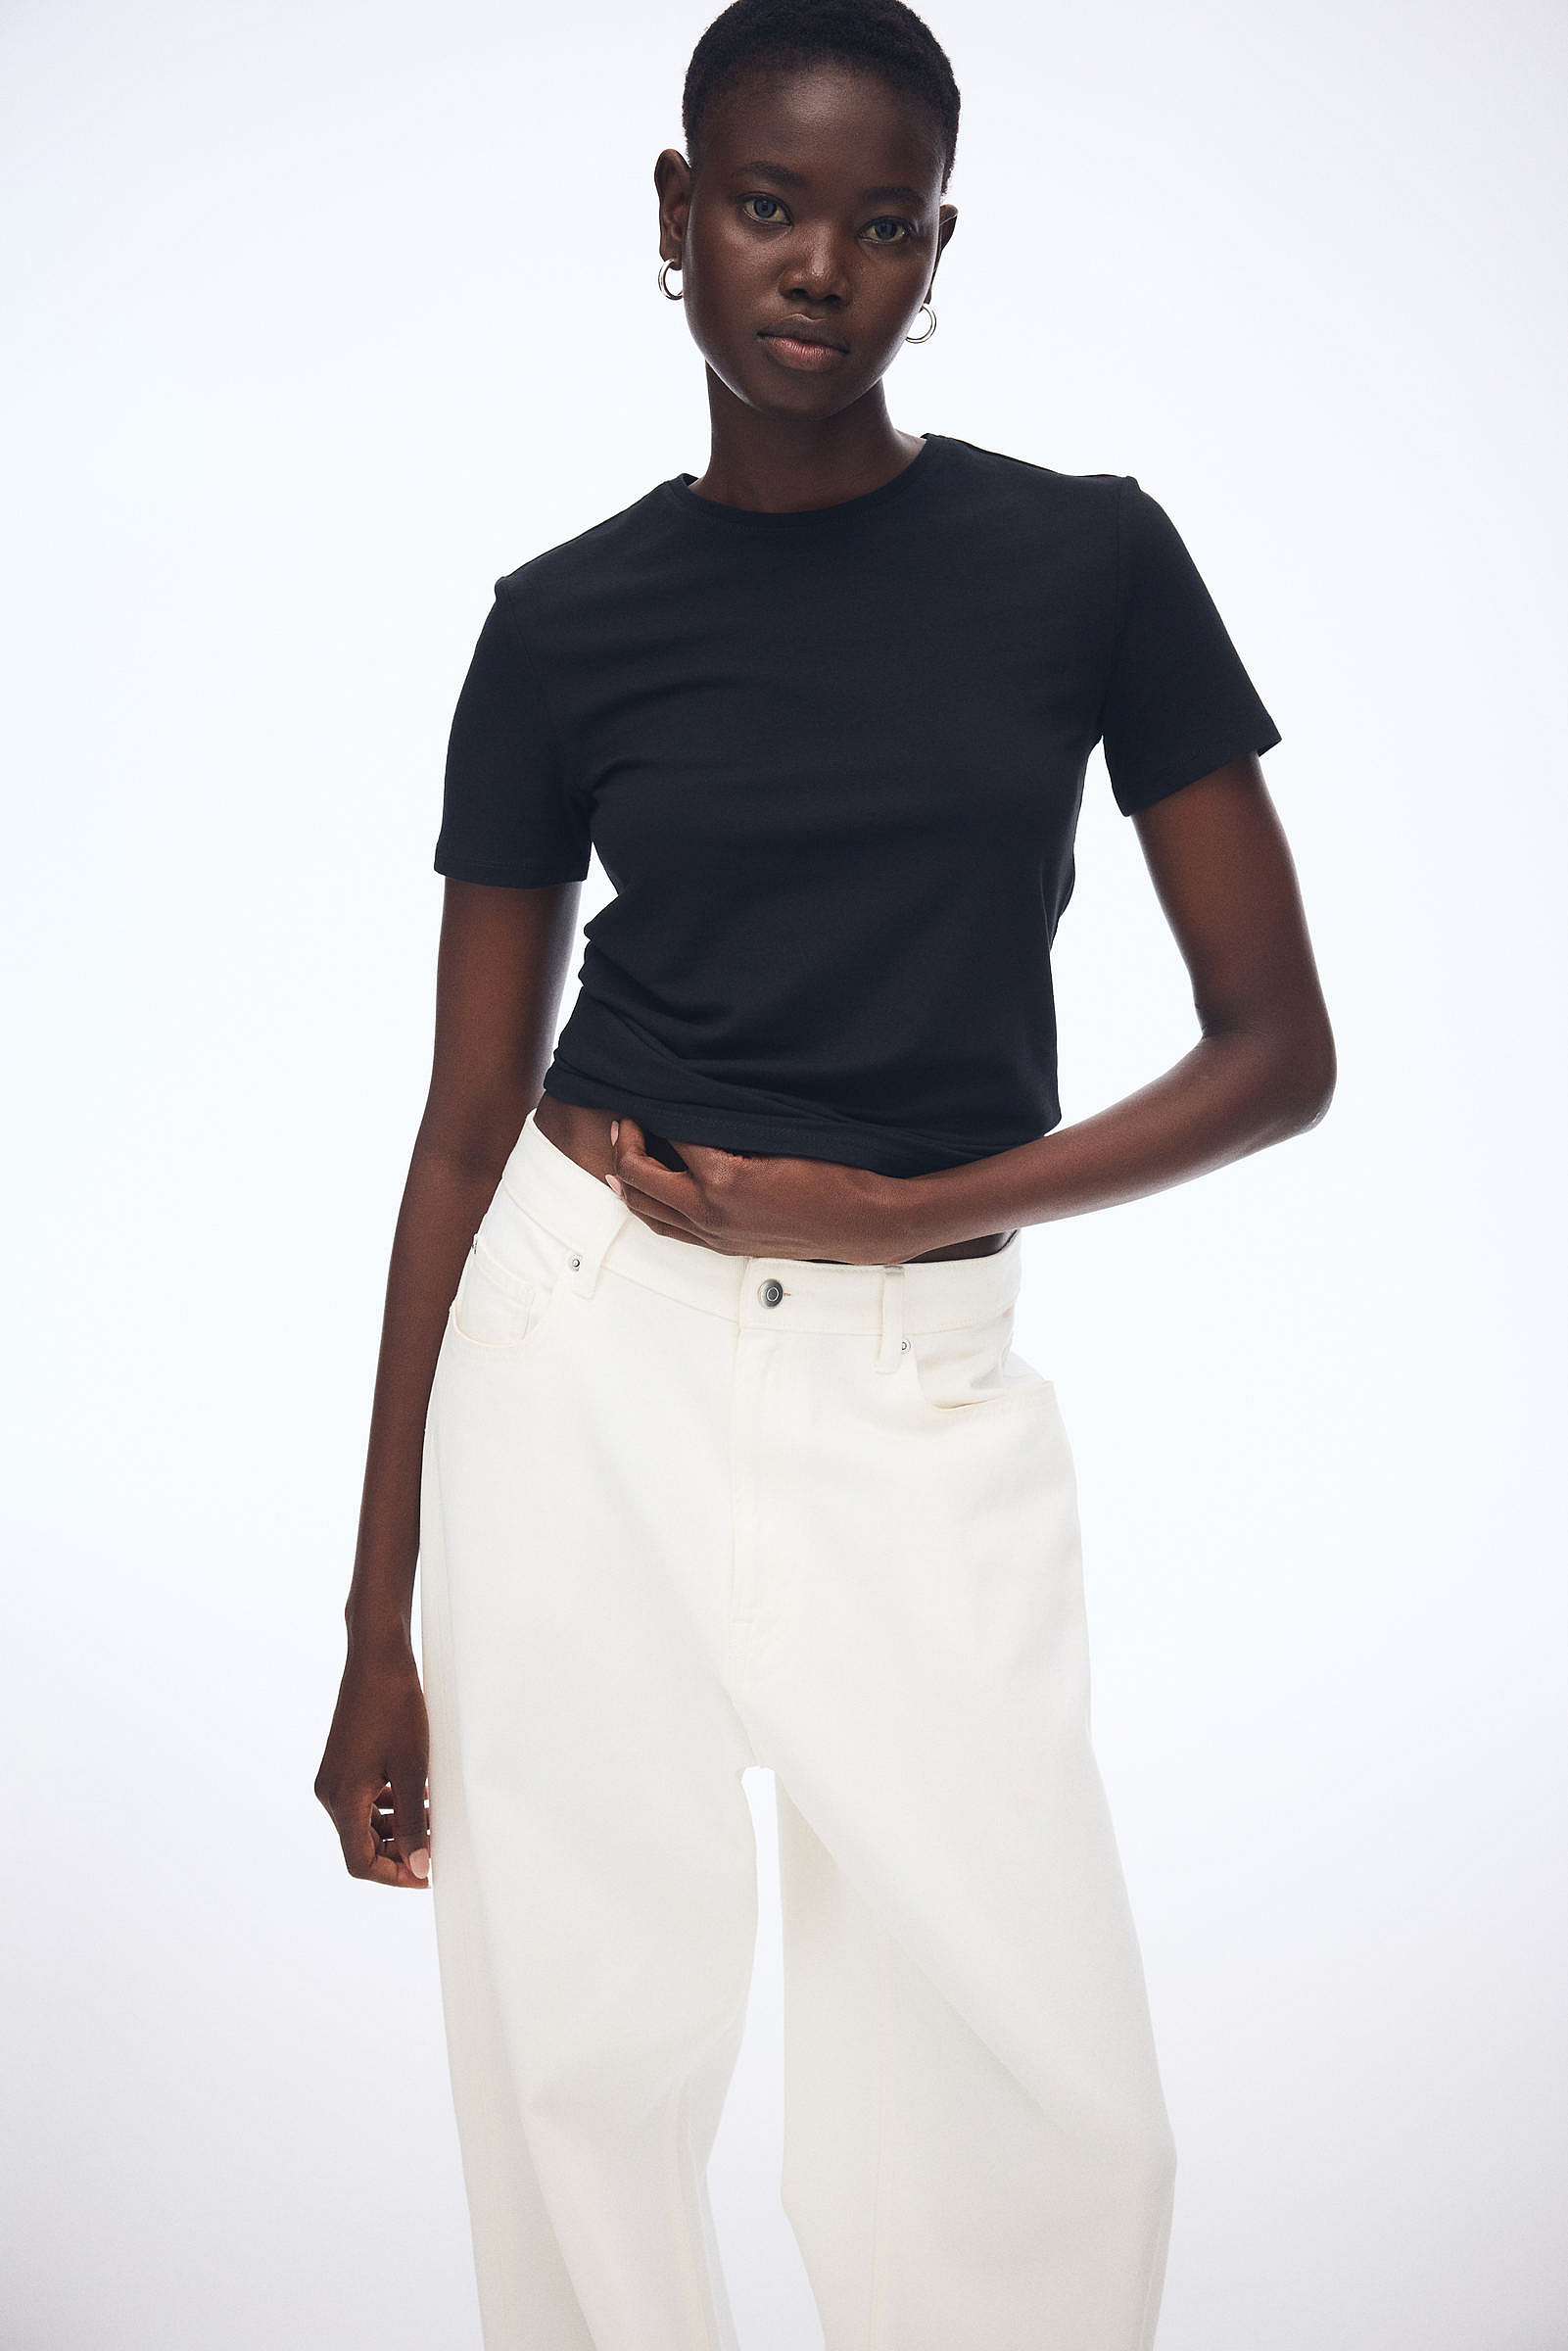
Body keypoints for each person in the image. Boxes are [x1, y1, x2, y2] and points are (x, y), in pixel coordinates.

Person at [314, 1, 1335, 2343]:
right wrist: (378, 1628)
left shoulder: (1088, 562)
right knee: (579, 2070)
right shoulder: (561, 628)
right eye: (769, 206)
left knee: (1047, 2107)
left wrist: (901, 1211)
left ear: (937, 250)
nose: (819, 267)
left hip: (918, 1379)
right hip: (582, 1358)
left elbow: (1279, 1051)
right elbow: (461, 1130)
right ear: (678, 216)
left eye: (883, 224)